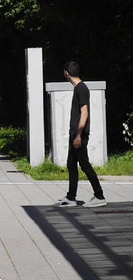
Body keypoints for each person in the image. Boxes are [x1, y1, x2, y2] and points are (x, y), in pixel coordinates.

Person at [55, 61, 107, 207]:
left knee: (84, 164)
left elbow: (84, 114)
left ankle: (99, 195)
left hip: (79, 134)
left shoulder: (81, 89)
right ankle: (71, 197)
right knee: (71, 164)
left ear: (66, 73)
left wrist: (78, 135)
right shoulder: (79, 88)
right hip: (75, 133)